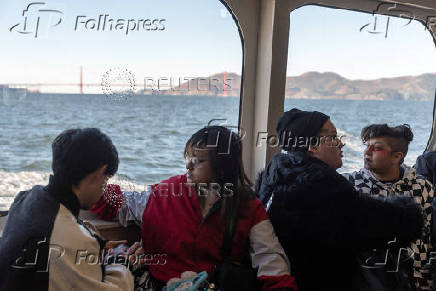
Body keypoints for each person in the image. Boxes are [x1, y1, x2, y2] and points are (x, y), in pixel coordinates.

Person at [91, 126, 299, 291]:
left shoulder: (248, 208)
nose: (188, 166)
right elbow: (118, 203)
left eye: (198, 160)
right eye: (188, 158)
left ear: (222, 164)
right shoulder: (165, 193)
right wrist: (84, 183)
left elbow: (271, 262)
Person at [255, 108, 424, 291]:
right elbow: (383, 223)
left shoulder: (277, 172)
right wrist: (410, 212)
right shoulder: (323, 185)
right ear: (312, 146)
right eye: (333, 137)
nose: (340, 144)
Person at [0, 128, 134, 291]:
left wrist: (98, 245)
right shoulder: (70, 237)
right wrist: (120, 261)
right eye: (105, 181)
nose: (103, 189)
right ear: (98, 174)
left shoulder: (26, 198)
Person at [344, 124, 435, 290]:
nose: (366, 152)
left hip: (416, 280)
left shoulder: (423, 187)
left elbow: (428, 238)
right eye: (366, 146)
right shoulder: (350, 186)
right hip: (368, 278)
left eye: (376, 148)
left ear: (397, 157)